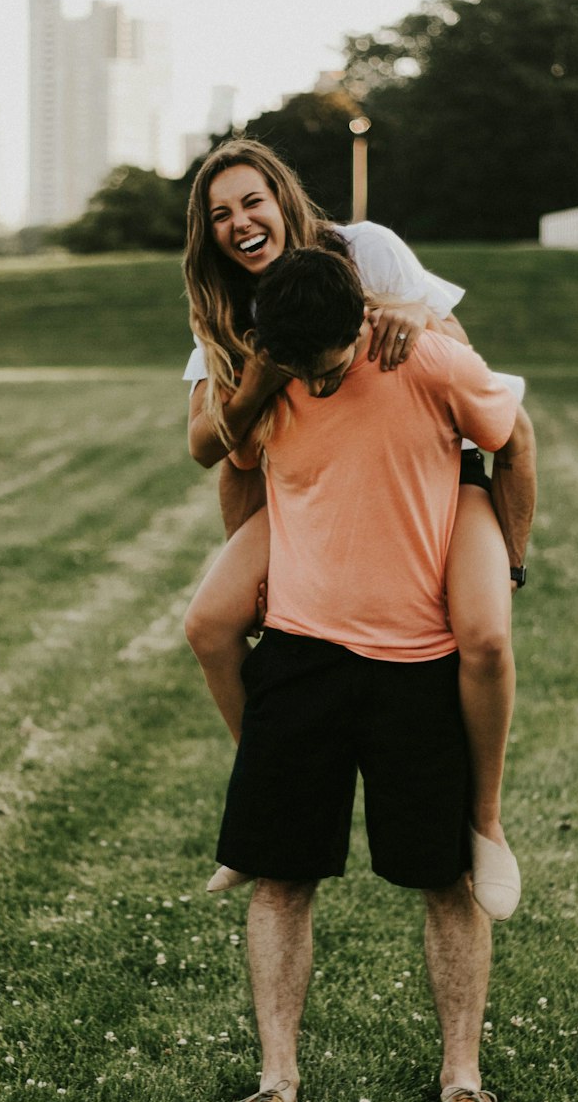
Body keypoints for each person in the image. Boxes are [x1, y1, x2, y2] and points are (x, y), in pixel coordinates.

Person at [213, 247, 536, 1102]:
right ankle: (277, 1076)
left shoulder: (426, 359)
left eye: (327, 369)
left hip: (416, 664)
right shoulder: (275, 366)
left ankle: (461, 1076)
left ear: (359, 326)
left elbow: (514, 437)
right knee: (279, 877)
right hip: (300, 654)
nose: (315, 387)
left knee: (447, 881)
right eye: (299, 371)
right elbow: (226, 456)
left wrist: (509, 559)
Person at [181, 139, 527, 917]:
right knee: (208, 624)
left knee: (486, 637)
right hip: (311, 489)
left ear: (282, 199)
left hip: (434, 469)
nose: (241, 224)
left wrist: (411, 310)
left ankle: (488, 824)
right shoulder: (226, 306)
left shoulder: (365, 249)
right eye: (221, 215)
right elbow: (215, 450)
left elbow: (467, 370)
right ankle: (266, 801)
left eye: (252, 203)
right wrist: (261, 377)